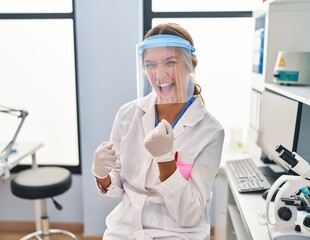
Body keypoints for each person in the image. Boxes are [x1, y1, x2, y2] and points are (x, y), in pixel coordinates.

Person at [92, 23, 225, 240]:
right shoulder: (127, 115)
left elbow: (189, 215)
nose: (159, 74)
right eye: (150, 65)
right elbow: (117, 185)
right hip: (126, 230)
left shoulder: (210, 132)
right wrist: (101, 173)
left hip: (178, 233)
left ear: (190, 65)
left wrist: (165, 161)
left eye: (170, 62)